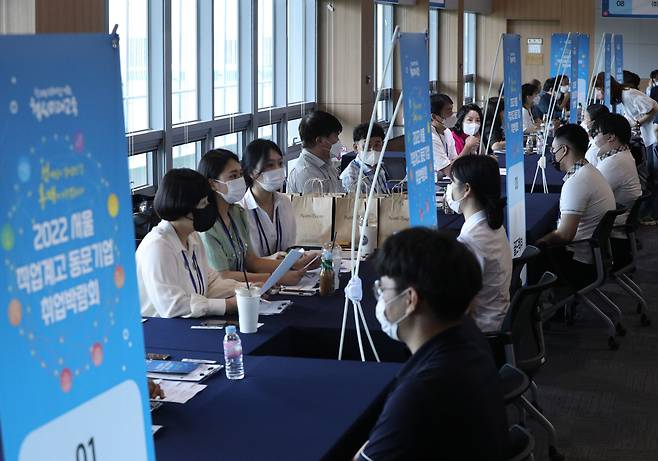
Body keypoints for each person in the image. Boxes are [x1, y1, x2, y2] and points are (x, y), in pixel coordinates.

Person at [355, 228, 508, 460]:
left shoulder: (421, 392)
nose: (381, 302)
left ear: (410, 300)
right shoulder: (468, 334)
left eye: (383, 291)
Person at [136, 168, 243, 318]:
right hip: (159, 333)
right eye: (203, 204)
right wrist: (228, 305)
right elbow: (173, 306)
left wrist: (244, 290)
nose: (208, 208)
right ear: (183, 207)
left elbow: (210, 283)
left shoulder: (192, 236)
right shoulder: (158, 247)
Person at [198, 149, 309, 284]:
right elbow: (223, 276)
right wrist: (275, 279)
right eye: (233, 177)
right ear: (212, 183)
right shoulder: (207, 225)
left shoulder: (237, 213)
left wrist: (294, 265)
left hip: (248, 290)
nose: (240, 181)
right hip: (227, 295)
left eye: (240, 175)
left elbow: (252, 261)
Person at [535, 124, 616, 289]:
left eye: (553, 150)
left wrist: (538, 243)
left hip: (578, 262)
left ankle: (537, 310)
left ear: (564, 150)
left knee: (532, 255)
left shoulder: (577, 182)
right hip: (594, 255)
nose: (552, 155)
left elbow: (565, 235)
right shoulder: (589, 171)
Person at [446, 155, 512, 332]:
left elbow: (458, 305)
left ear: (466, 189)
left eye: (452, 182)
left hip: (482, 330)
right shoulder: (493, 224)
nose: (450, 188)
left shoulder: (470, 240)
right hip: (498, 317)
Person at [590, 113, 642, 268]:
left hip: (611, 228)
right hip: (616, 222)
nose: (594, 137)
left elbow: (591, 195)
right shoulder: (621, 155)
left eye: (597, 132)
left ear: (611, 137)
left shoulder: (615, 163)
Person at [239, 139, 297, 257]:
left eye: (280, 163)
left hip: (288, 272)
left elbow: (291, 247)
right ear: (252, 172)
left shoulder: (285, 202)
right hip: (256, 275)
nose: (278, 169)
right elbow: (246, 261)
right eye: (270, 165)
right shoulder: (241, 210)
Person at [287, 110, 345, 194]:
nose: (338, 141)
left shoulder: (326, 164)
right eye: (336, 137)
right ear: (320, 140)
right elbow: (318, 206)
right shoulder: (307, 174)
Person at [594, 72, 658, 148]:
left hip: (654, 136)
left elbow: (654, 108)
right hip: (649, 136)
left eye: (598, 89)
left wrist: (637, 123)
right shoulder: (621, 97)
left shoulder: (628, 95)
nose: (597, 93)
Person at [340, 122, 390, 194]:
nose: (373, 149)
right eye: (367, 145)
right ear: (356, 148)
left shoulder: (380, 168)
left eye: (377, 145)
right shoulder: (350, 177)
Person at [429, 93, 459, 177]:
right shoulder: (430, 137)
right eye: (448, 111)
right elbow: (448, 170)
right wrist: (467, 148)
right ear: (434, 117)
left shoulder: (447, 132)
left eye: (452, 110)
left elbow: (454, 160)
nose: (452, 115)